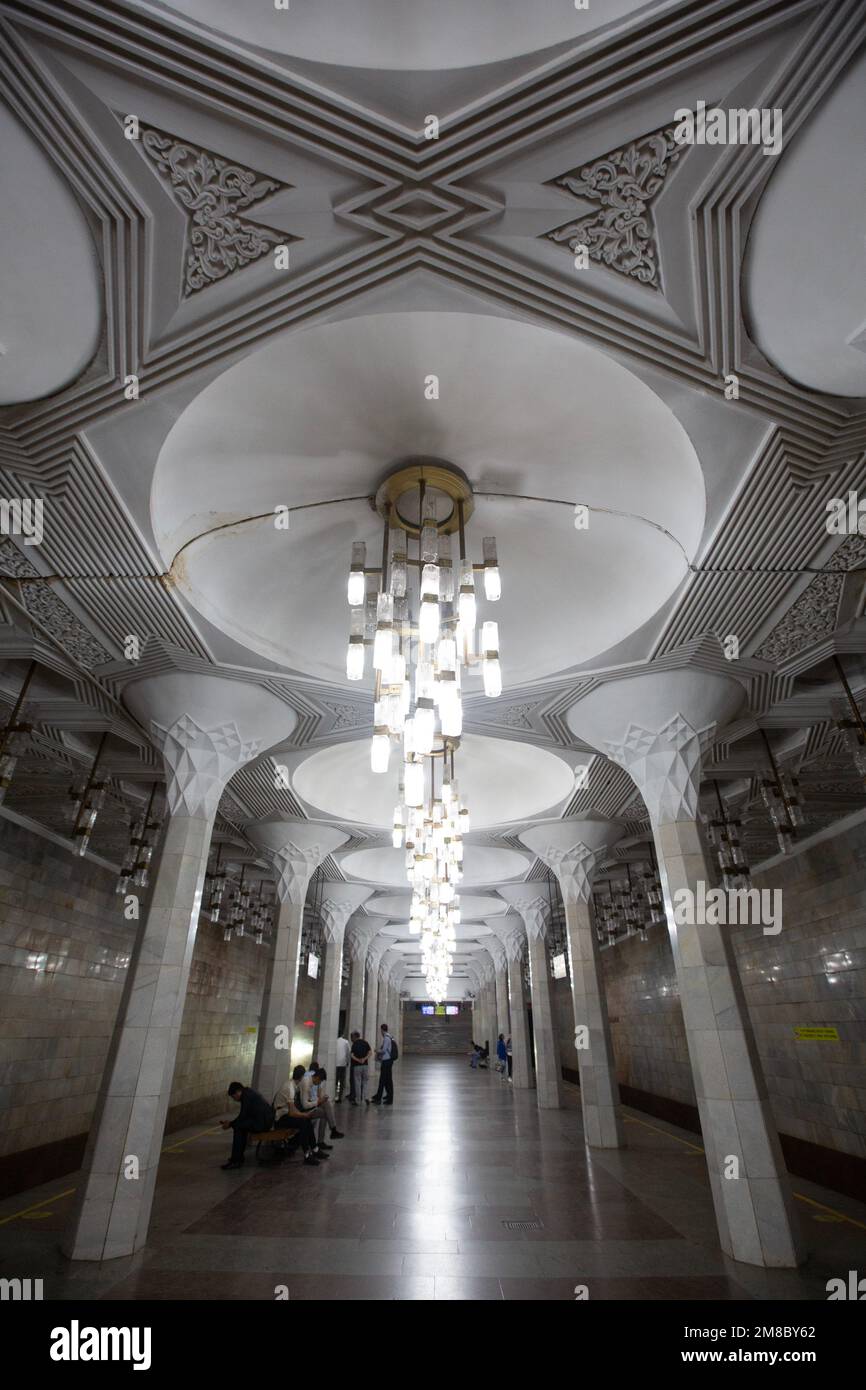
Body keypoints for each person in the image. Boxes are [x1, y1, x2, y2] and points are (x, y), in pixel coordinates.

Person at [273, 1073, 327, 1166]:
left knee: (306, 1121)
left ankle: (315, 1149)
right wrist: (304, 1115)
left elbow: (292, 1110)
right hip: (281, 1118)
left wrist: (304, 1115)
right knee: (303, 1122)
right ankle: (307, 1154)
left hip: (285, 1114)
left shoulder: (292, 1085)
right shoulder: (290, 1088)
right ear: (301, 1077)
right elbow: (291, 1112)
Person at [220, 1081, 273, 1170]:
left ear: (238, 1092)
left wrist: (230, 1124)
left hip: (262, 1124)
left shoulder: (246, 1096)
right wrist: (231, 1123)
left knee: (238, 1127)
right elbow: (244, 1116)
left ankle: (236, 1160)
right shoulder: (248, 1093)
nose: (234, 1099)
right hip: (264, 1121)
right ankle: (238, 1157)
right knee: (241, 1127)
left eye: (234, 1097)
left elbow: (243, 1116)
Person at [371, 1022, 395, 1105]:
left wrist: (376, 1051)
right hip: (388, 1061)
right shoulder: (389, 1037)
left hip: (386, 1062)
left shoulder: (386, 1038)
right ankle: (388, 1096)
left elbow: (384, 1050)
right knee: (387, 1080)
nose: (380, 1032)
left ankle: (379, 1098)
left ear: (382, 1030)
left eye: (380, 1030)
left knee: (383, 1080)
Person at [349, 1029, 372, 1105]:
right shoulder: (365, 1042)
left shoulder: (354, 1044)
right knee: (365, 1082)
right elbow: (370, 1052)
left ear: (355, 1037)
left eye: (352, 1037)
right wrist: (364, 1059)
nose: (351, 1039)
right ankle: (366, 1098)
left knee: (357, 1083)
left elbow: (352, 1055)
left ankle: (358, 1100)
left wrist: (358, 1060)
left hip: (357, 1066)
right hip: (365, 1065)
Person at [335, 1034, 351, 1102]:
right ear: (342, 1034)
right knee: (341, 1081)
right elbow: (348, 1052)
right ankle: (339, 1097)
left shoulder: (334, 1041)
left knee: (335, 1081)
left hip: (335, 1064)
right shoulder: (346, 1042)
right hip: (342, 1064)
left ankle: (334, 1095)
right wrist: (347, 1061)